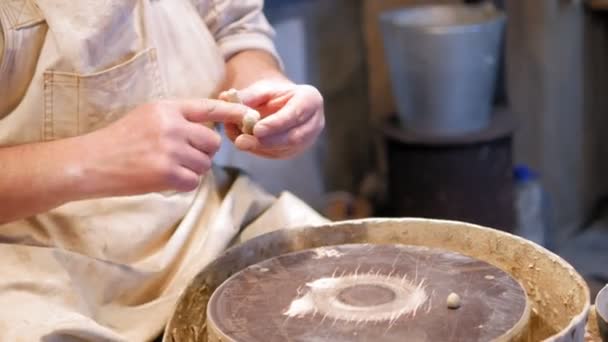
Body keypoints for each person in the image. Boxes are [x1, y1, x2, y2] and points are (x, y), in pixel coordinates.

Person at [0, 0, 327, 340]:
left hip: (208, 222)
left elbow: (232, 25)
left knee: (349, 282)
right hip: (31, 261)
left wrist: (264, 85)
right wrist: (93, 159)